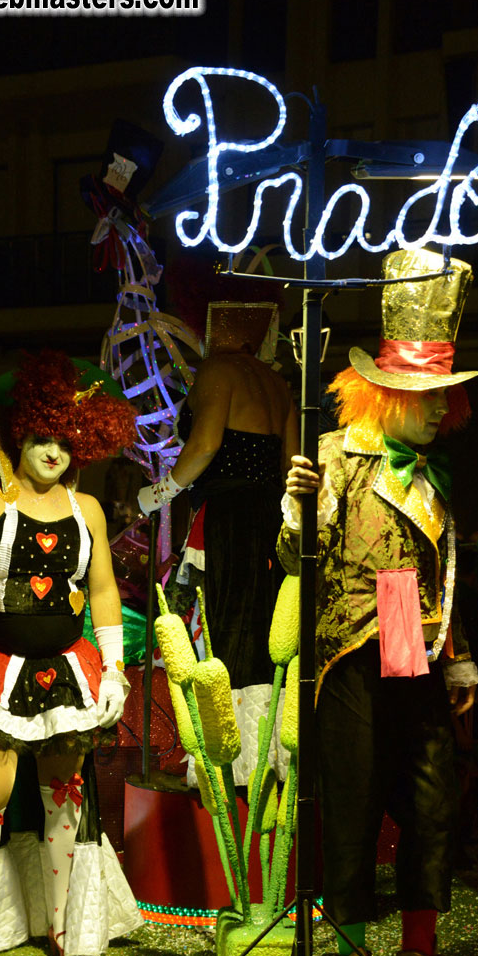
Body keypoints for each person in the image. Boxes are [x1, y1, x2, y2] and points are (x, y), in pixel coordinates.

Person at [281, 247, 478, 956]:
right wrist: (297, 506)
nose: (439, 408)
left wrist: (461, 654)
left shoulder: (433, 475)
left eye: (444, 394)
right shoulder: (340, 456)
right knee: (353, 805)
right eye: (424, 393)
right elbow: (293, 556)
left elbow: (441, 573)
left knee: (433, 803)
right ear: (383, 391)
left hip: (419, 643)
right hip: (351, 649)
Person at [0, 350, 141, 956]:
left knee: (66, 797)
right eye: (43, 437)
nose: (54, 452)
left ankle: (66, 930)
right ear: (20, 435)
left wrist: (115, 666)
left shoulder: (89, 511)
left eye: (66, 442)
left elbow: (103, 591)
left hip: (66, 668)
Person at [138, 289, 299, 788]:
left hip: (230, 517)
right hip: (272, 517)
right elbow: (292, 464)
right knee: (265, 633)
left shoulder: (216, 373)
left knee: (226, 627)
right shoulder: (277, 383)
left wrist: (155, 494)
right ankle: (269, 759)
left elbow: (204, 444)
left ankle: (231, 766)